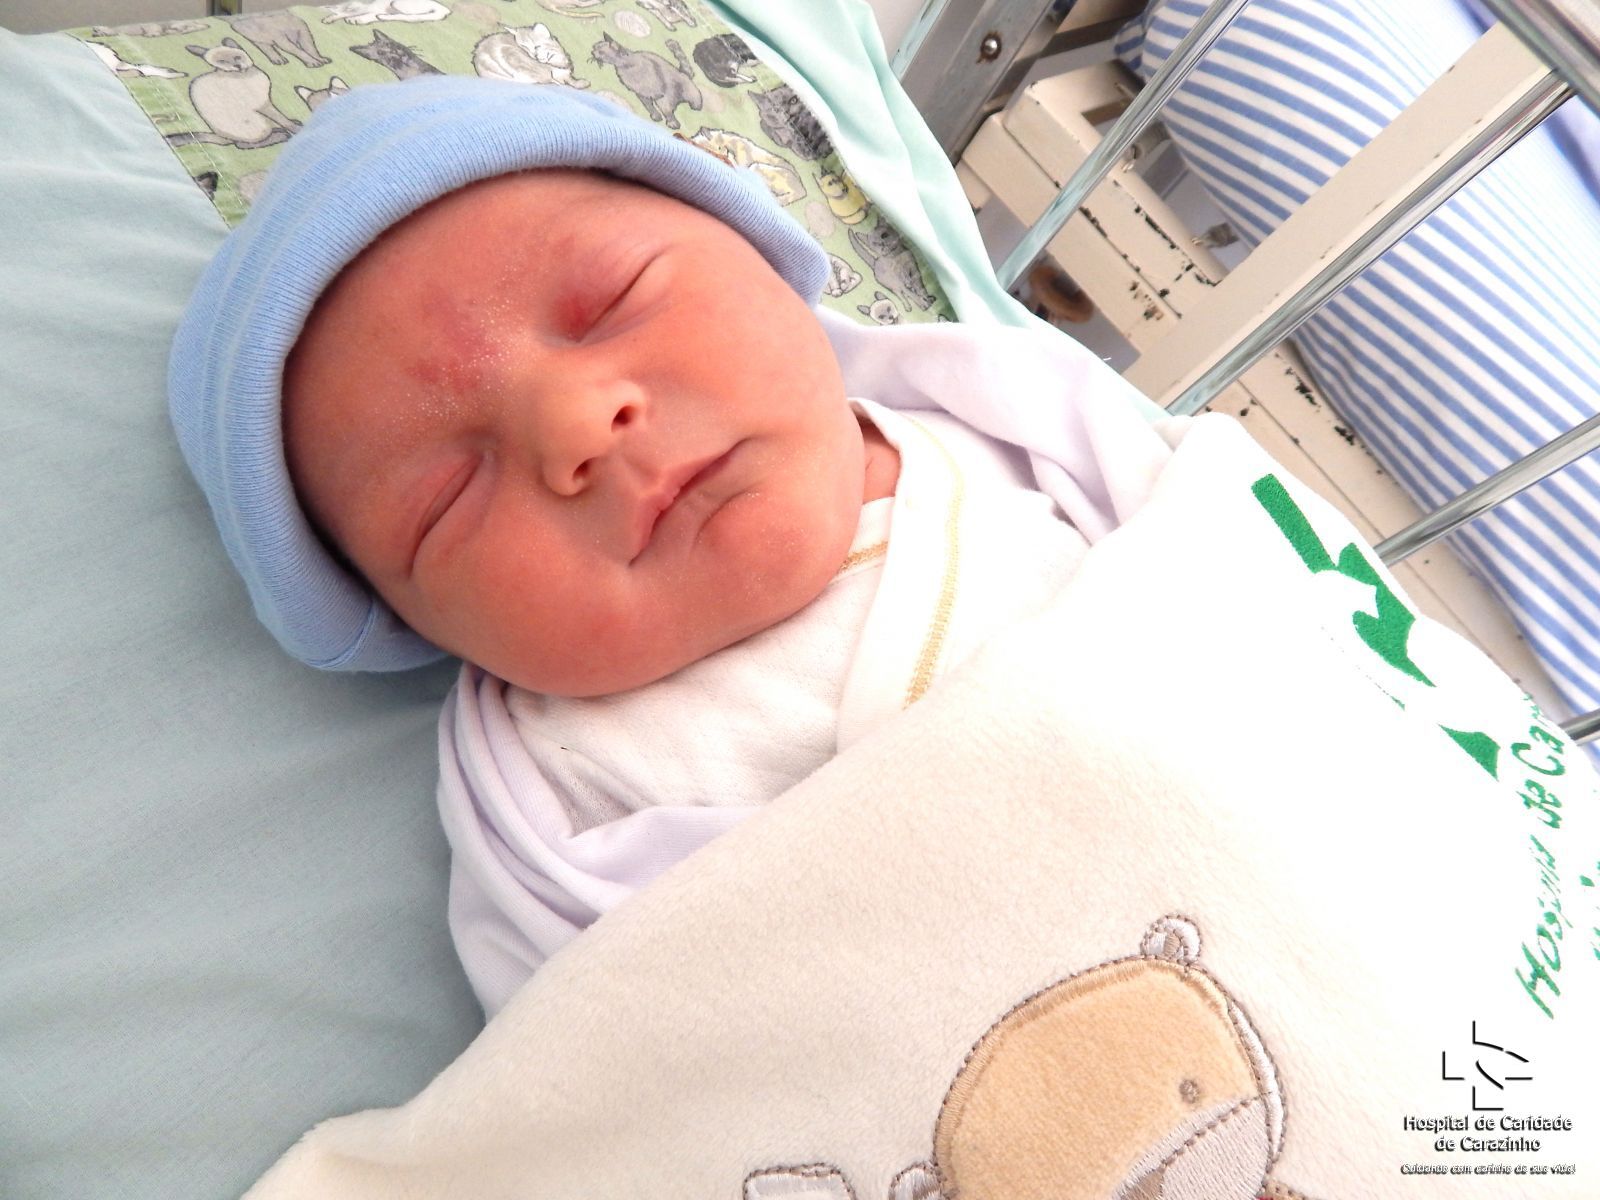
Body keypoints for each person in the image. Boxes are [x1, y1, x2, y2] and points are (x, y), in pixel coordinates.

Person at [169, 76, 1167, 1015]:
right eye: (446, 498)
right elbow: (613, 1074)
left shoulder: (1016, 423)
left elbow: (1237, 570)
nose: (577, 422)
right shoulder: (550, 805)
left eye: (616, 299)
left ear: (758, 255)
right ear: (418, 624)